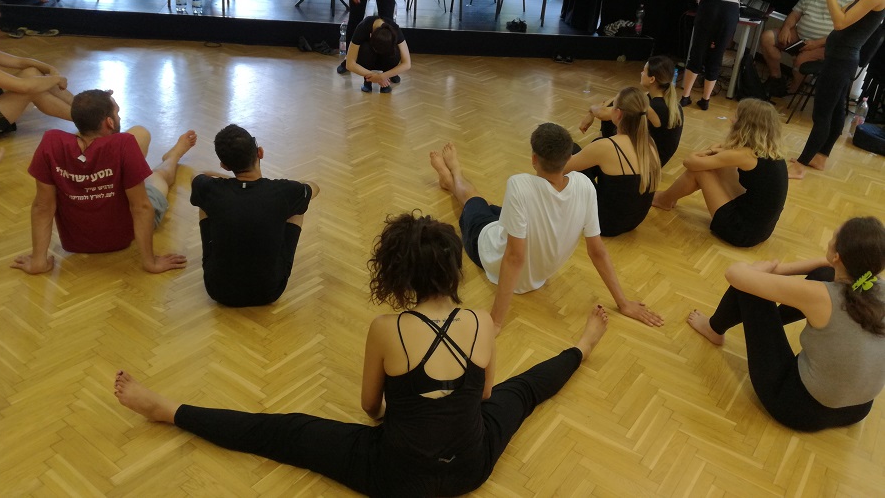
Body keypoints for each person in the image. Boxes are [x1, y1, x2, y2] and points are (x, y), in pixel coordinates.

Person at [115, 211, 611, 497]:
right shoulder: (482, 321)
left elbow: (370, 407)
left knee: (287, 433)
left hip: (396, 476)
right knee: (522, 392)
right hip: (470, 467)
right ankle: (584, 344)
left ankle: (169, 411)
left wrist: (400, 415)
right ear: (452, 270)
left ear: (400, 274)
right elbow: (484, 396)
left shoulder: (386, 329)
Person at [429, 124, 663, 331]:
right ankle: (451, 182)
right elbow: (597, 251)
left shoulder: (519, 185)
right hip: (530, 258)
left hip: (487, 248)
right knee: (490, 206)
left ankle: (453, 175)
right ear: (569, 157)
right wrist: (623, 303)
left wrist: (497, 321)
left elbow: (514, 258)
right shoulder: (585, 185)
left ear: (534, 158)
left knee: (473, 200)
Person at [687, 216, 885, 432]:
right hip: (858, 410)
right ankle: (769, 324)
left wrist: (760, 269)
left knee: (750, 287)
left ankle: (713, 329)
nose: (829, 241)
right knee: (824, 274)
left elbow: (734, 274)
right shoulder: (878, 287)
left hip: (799, 410)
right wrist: (781, 269)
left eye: (833, 238)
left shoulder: (821, 296)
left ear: (837, 256)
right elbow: (828, 268)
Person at [11, 89, 195, 275]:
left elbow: (42, 207)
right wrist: (150, 262)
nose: (118, 116)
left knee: (140, 136)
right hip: (123, 236)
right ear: (110, 122)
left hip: (76, 241)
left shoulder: (51, 142)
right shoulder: (124, 144)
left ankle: (139, 169)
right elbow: (141, 207)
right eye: (117, 112)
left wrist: (38, 261)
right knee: (158, 176)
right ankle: (173, 156)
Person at [190, 124, 319, 307]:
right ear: (260, 152)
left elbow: (197, 175)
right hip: (269, 291)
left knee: (203, 199)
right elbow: (314, 187)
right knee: (299, 204)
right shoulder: (283, 191)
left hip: (218, 291)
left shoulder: (211, 189)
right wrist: (296, 188)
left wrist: (230, 183)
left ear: (224, 166)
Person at [789, 0, 885, 180]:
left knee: (822, 114)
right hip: (841, 58)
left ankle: (800, 165)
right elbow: (842, 14)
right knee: (835, 112)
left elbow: (840, 23)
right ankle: (820, 157)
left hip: (841, 60)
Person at [653, 98, 788, 247]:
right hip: (761, 230)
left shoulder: (744, 155)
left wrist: (709, 151)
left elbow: (689, 162)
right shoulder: (770, 150)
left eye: (736, 116)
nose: (731, 119)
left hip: (741, 232)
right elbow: (723, 151)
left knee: (700, 171)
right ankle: (668, 198)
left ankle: (664, 200)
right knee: (719, 167)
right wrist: (717, 152)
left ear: (745, 124)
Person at [566, 87, 662, 237]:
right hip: (634, 221)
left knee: (572, 149)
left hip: (603, 224)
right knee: (592, 156)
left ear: (617, 113)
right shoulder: (649, 143)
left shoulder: (606, 146)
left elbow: (562, 168)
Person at [760, 0, 857, 97]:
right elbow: (795, 14)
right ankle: (776, 78)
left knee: (801, 60)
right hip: (800, 36)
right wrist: (786, 28)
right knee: (767, 38)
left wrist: (816, 43)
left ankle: (793, 88)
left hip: (824, 44)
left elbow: (843, 33)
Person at [579, 55, 684, 167]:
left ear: (652, 79)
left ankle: (602, 151)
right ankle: (603, 147)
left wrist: (591, 110)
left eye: (644, 71)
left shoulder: (656, 107)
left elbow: (603, 113)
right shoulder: (663, 98)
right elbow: (617, 100)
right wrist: (592, 113)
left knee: (614, 116)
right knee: (618, 107)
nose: (641, 73)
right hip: (647, 152)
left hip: (649, 164)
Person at [0, 11, 74, 137]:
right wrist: (55, 79)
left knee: (32, 72)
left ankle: (84, 108)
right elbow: (24, 86)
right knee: (32, 89)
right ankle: (88, 121)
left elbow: (21, 62)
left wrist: (51, 70)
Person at [680, 0, 742, 111]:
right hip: (729, 17)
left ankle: (685, 97)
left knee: (697, 55)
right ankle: (705, 100)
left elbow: (701, 1)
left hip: (708, 14)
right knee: (716, 57)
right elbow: (738, 2)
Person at [344, 15, 411, 93]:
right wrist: (374, 76)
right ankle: (367, 81)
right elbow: (349, 64)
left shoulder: (394, 29)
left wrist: (383, 76)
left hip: (386, 61)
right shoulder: (362, 27)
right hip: (369, 58)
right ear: (370, 35)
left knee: (395, 51)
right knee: (365, 48)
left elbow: (407, 63)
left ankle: (388, 76)